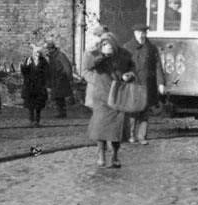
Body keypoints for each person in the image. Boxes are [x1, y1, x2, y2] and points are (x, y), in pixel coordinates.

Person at [83, 31, 135, 168]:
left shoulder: (124, 54)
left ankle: (115, 156)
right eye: (105, 44)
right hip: (101, 96)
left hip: (118, 95)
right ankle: (101, 155)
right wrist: (102, 55)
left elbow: (132, 68)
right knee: (100, 126)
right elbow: (89, 66)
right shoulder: (96, 55)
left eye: (110, 44)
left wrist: (129, 75)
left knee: (117, 128)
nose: (108, 46)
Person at [124, 23, 165, 144]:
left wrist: (161, 83)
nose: (141, 35)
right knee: (132, 110)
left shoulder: (152, 48)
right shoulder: (127, 47)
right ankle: (131, 135)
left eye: (143, 33)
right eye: (138, 33)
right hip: (133, 84)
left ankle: (142, 136)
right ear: (134, 34)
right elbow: (123, 65)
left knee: (145, 110)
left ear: (146, 34)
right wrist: (125, 76)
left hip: (148, 84)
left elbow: (158, 66)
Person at [44, 39, 74, 118]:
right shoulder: (51, 56)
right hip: (55, 78)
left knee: (60, 96)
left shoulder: (60, 55)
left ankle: (62, 113)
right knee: (57, 97)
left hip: (61, 78)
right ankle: (61, 112)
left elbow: (67, 67)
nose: (48, 51)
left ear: (52, 48)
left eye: (49, 49)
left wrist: (69, 77)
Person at [21, 45, 49, 127]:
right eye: (36, 52)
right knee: (30, 105)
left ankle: (37, 121)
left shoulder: (43, 61)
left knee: (38, 105)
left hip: (39, 86)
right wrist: (26, 66)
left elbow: (47, 72)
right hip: (30, 85)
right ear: (33, 53)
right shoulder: (29, 60)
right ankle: (31, 120)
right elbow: (24, 72)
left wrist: (44, 82)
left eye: (39, 52)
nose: (38, 54)